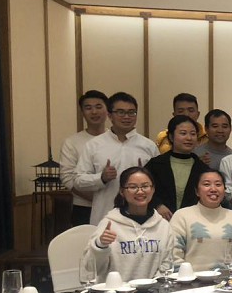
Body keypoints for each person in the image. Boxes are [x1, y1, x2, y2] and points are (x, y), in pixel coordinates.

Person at [74, 92, 159, 226]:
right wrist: (101, 178)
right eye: (120, 112)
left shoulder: (148, 146)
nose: (126, 116)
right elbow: (78, 181)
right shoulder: (94, 145)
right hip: (104, 215)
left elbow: (159, 182)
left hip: (141, 217)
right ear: (109, 115)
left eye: (131, 112)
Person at [84, 167, 173, 282]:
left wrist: (153, 286)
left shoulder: (163, 226)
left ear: (153, 189)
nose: (140, 191)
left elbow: (167, 265)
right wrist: (100, 245)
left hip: (153, 290)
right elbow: (91, 267)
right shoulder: (109, 224)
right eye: (133, 187)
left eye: (145, 186)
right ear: (122, 191)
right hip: (115, 291)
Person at [169, 170, 232, 271]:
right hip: (191, 279)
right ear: (197, 191)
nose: (213, 189)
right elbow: (174, 256)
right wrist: (189, 277)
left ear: (224, 189)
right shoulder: (181, 216)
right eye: (207, 184)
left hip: (229, 279)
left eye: (218, 184)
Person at [144, 115, 211, 219]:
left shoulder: (203, 169)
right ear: (171, 137)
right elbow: (143, 189)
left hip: (192, 221)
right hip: (158, 220)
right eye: (183, 133)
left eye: (193, 134)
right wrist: (157, 205)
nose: (189, 138)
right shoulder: (155, 164)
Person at [60, 90, 108, 227]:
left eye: (98, 106)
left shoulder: (116, 139)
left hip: (115, 207)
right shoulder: (71, 142)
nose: (94, 112)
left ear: (108, 110)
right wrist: (98, 200)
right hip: (84, 208)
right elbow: (68, 178)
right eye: (88, 108)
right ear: (82, 112)